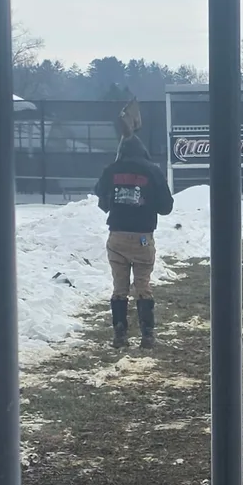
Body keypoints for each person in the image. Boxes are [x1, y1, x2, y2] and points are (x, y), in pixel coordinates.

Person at [95, 100, 174, 348]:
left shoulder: (112, 169)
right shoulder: (152, 171)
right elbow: (166, 207)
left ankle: (119, 335)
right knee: (143, 287)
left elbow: (102, 200)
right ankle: (147, 336)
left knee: (119, 288)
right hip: (142, 237)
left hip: (116, 236)